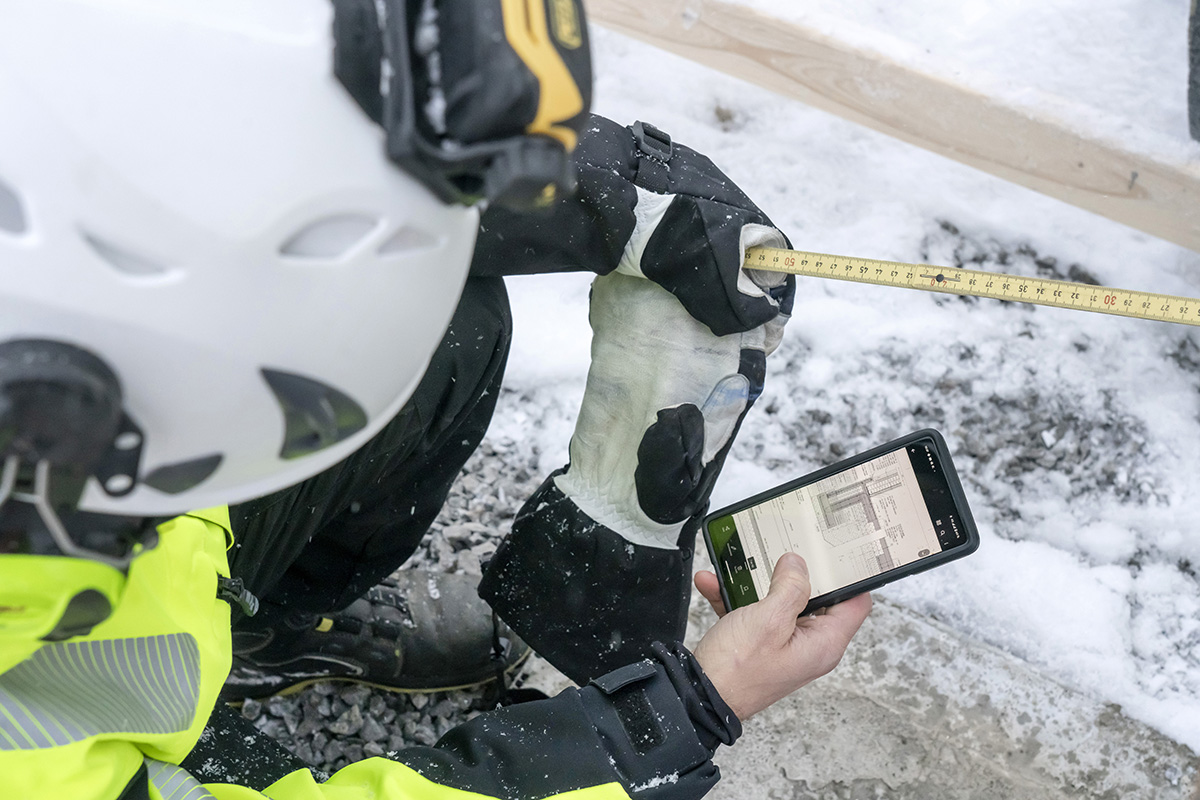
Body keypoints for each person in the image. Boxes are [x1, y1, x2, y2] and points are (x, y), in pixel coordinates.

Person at [0, 1, 872, 798]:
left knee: (435, 315)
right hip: (107, 744)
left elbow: (150, 116)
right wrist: (676, 717)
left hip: (104, 558)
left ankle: (270, 626)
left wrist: (585, 190)